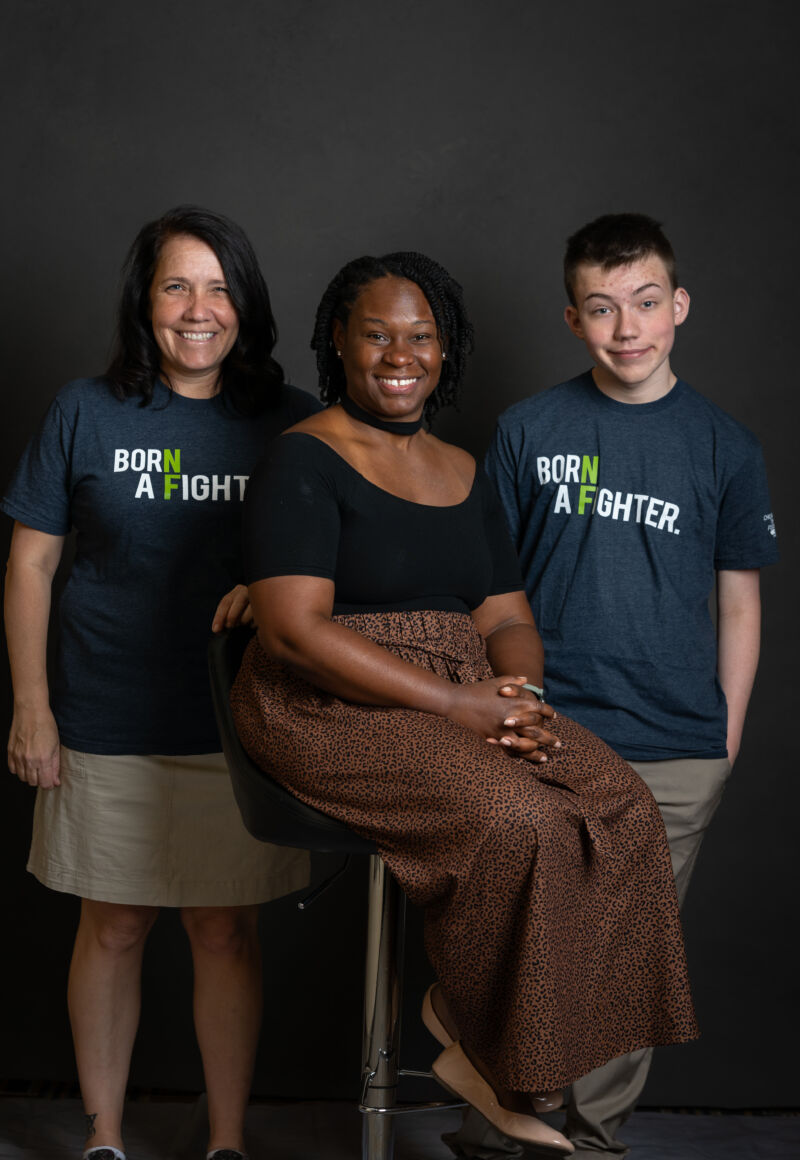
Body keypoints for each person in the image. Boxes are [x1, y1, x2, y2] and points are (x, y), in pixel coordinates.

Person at [230, 251, 700, 1156]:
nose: (400, 354)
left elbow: (505, 614)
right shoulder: (303, 457)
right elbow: (292, 632)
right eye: (377, 334)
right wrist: (457, 707)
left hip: (466, 690)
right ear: (340, 339)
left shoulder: (460, 466)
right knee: (518, 816)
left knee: (621, 807)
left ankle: (495, 1051)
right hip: (330, 701)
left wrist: (514, 694)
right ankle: (488, 1048)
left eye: (422, 336)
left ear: (446, 350)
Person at [449, 214, 779, 1160]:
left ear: (678, 306)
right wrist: (500, 710)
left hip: (677, 741)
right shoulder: (527, 430)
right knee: (533, 941)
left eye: (644, 303)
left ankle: (589, 1142)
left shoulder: (724, 446)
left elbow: (741, 607)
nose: (626, 328)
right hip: (550, 729)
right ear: (571, 317)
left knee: (623, 960)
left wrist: (727, 738)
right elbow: (487, 586)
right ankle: (505, 1124)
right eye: (602, 308)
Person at [3, 205, 320, 1160]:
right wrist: (31, 706)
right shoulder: (84, 411)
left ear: (246, 306)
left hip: (236, 726)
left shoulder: (290, 420)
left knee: (223, 932)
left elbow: (344, 554)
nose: (198, 308)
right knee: (116, 926)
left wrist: (275, 590)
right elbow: (29, 566)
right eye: (177, 284)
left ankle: (225, 1142)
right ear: (146, 301)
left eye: (220, 287)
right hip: (104, 715)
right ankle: (104, 1136)